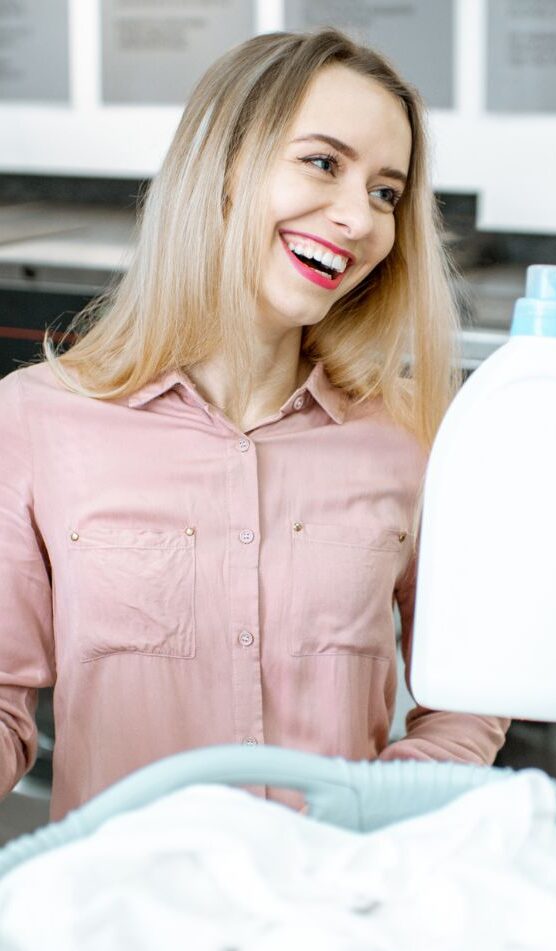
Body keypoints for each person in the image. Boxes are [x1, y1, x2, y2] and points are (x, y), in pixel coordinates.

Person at [0, 29, 507, 821]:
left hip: (338, 907)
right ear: (223, 167)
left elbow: (469, 697)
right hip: (132, 913)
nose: (358, 220)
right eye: (322, 163)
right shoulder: (36, 419)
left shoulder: (412, 437)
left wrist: (378, 817)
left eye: (385, 192)